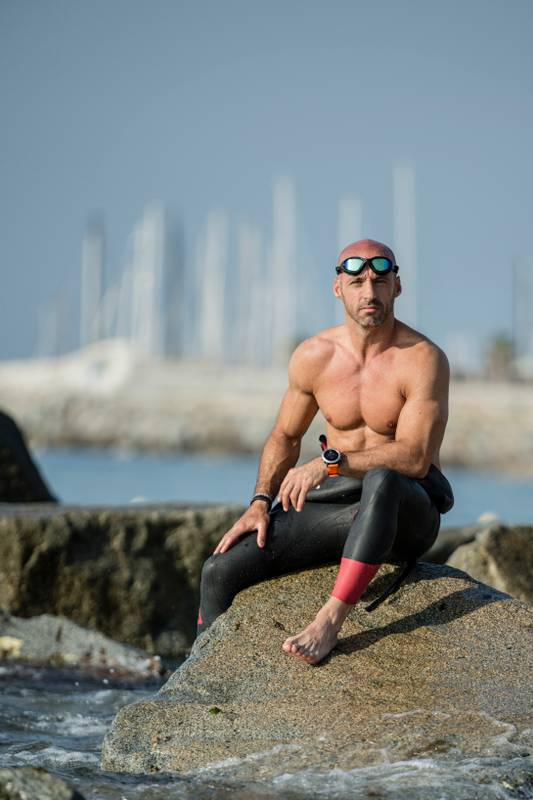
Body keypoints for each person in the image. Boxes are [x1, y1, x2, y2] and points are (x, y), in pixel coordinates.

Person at [197, 238, 453, 664]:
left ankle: (330, 621)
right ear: (338, 289)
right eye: (356, 282)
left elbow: (413, 457)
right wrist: (261, 500)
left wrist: (330, 463)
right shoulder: (315, 357)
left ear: (397, 287)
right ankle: (199, 671)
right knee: (219, 568)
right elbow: (284, 435)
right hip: (337, 507)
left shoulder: (422, 359)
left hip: (406, 510)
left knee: (384, 478)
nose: (369, 293)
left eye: (379, 281)